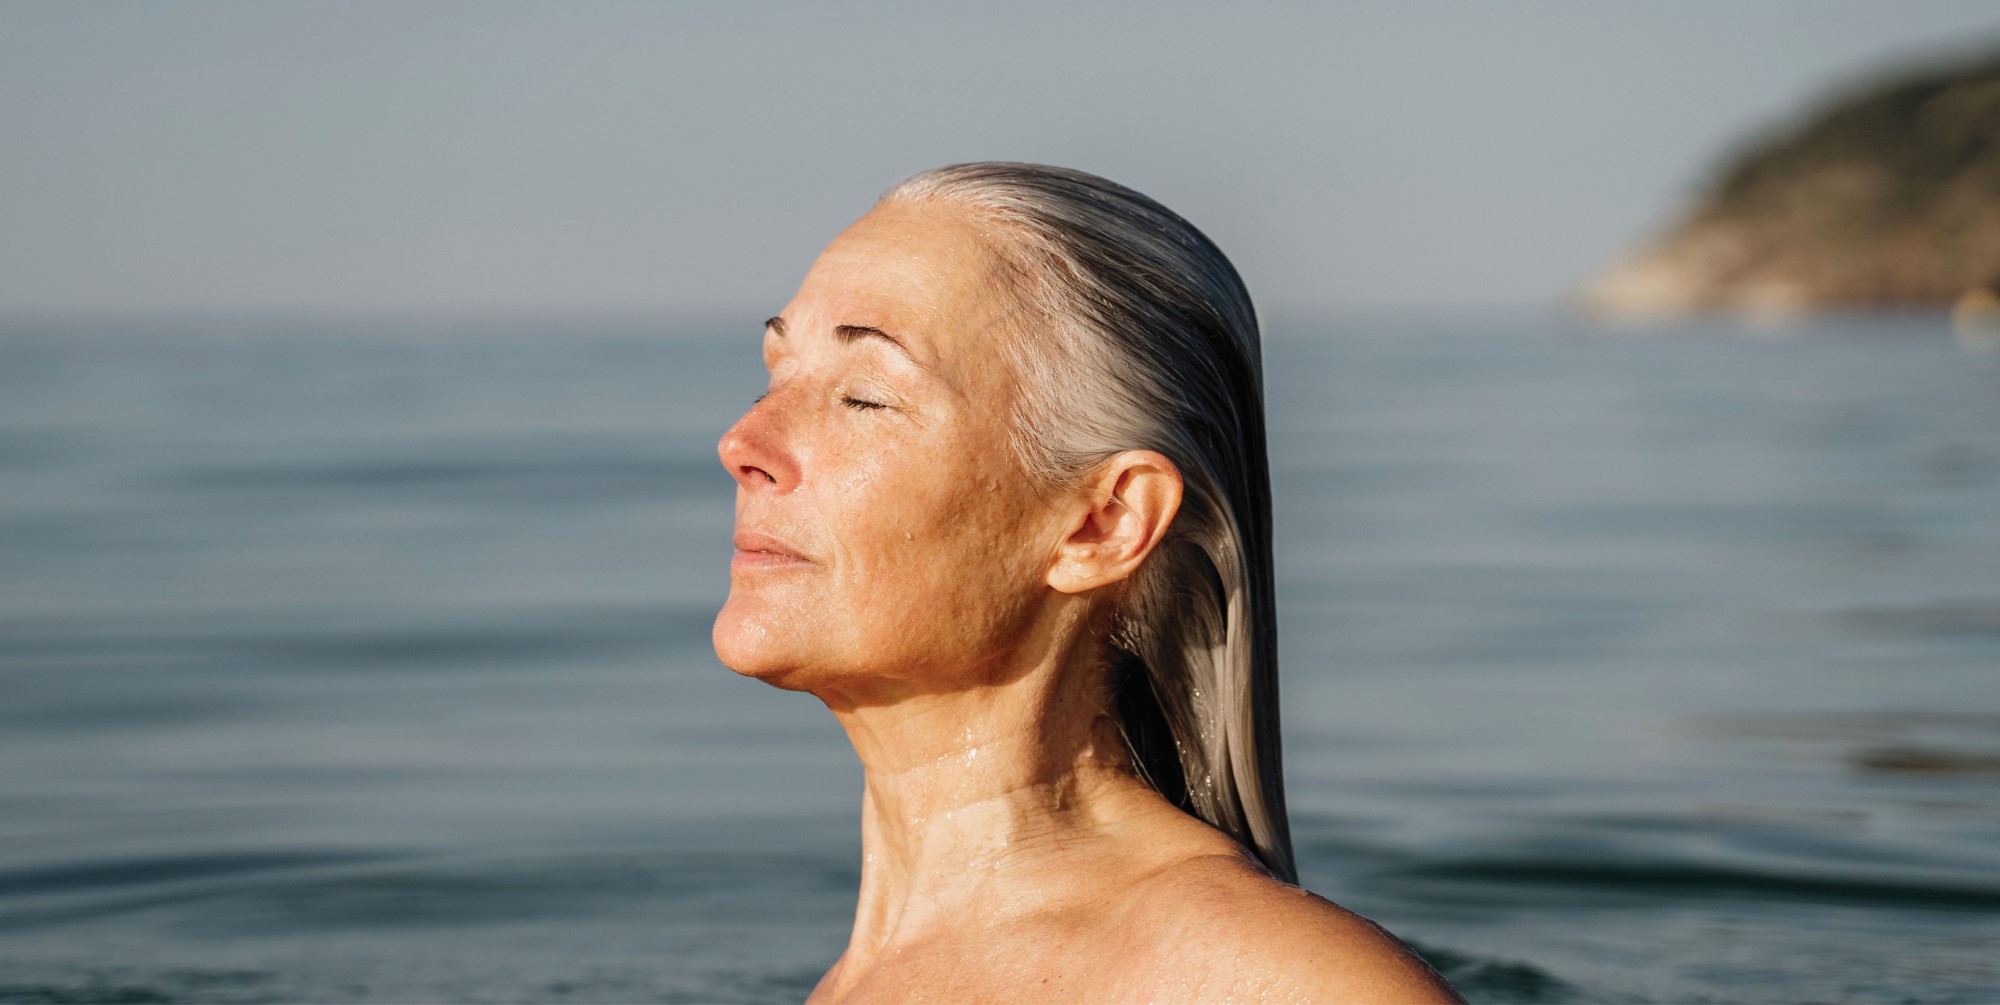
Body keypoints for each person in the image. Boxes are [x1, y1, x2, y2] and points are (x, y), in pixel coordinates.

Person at [713, 162, 1461, 1003]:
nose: (743, 442)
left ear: (1103, 522)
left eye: (865, 398)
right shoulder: (855, 984)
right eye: (774, 379)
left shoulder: (1278, 984)